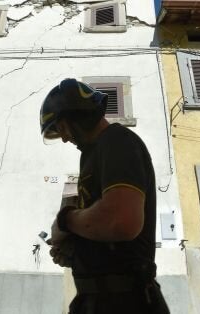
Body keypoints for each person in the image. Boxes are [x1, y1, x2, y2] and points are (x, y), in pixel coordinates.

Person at [40, 78, 170, 314]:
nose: (66, 139)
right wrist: (76, 251)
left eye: (62, 129)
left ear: (75, 116)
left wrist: (64, 222)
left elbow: (120, 221)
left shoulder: (117, 140)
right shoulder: (92, 154)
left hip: (125, 302)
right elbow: (108, 233)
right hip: (99, 299)